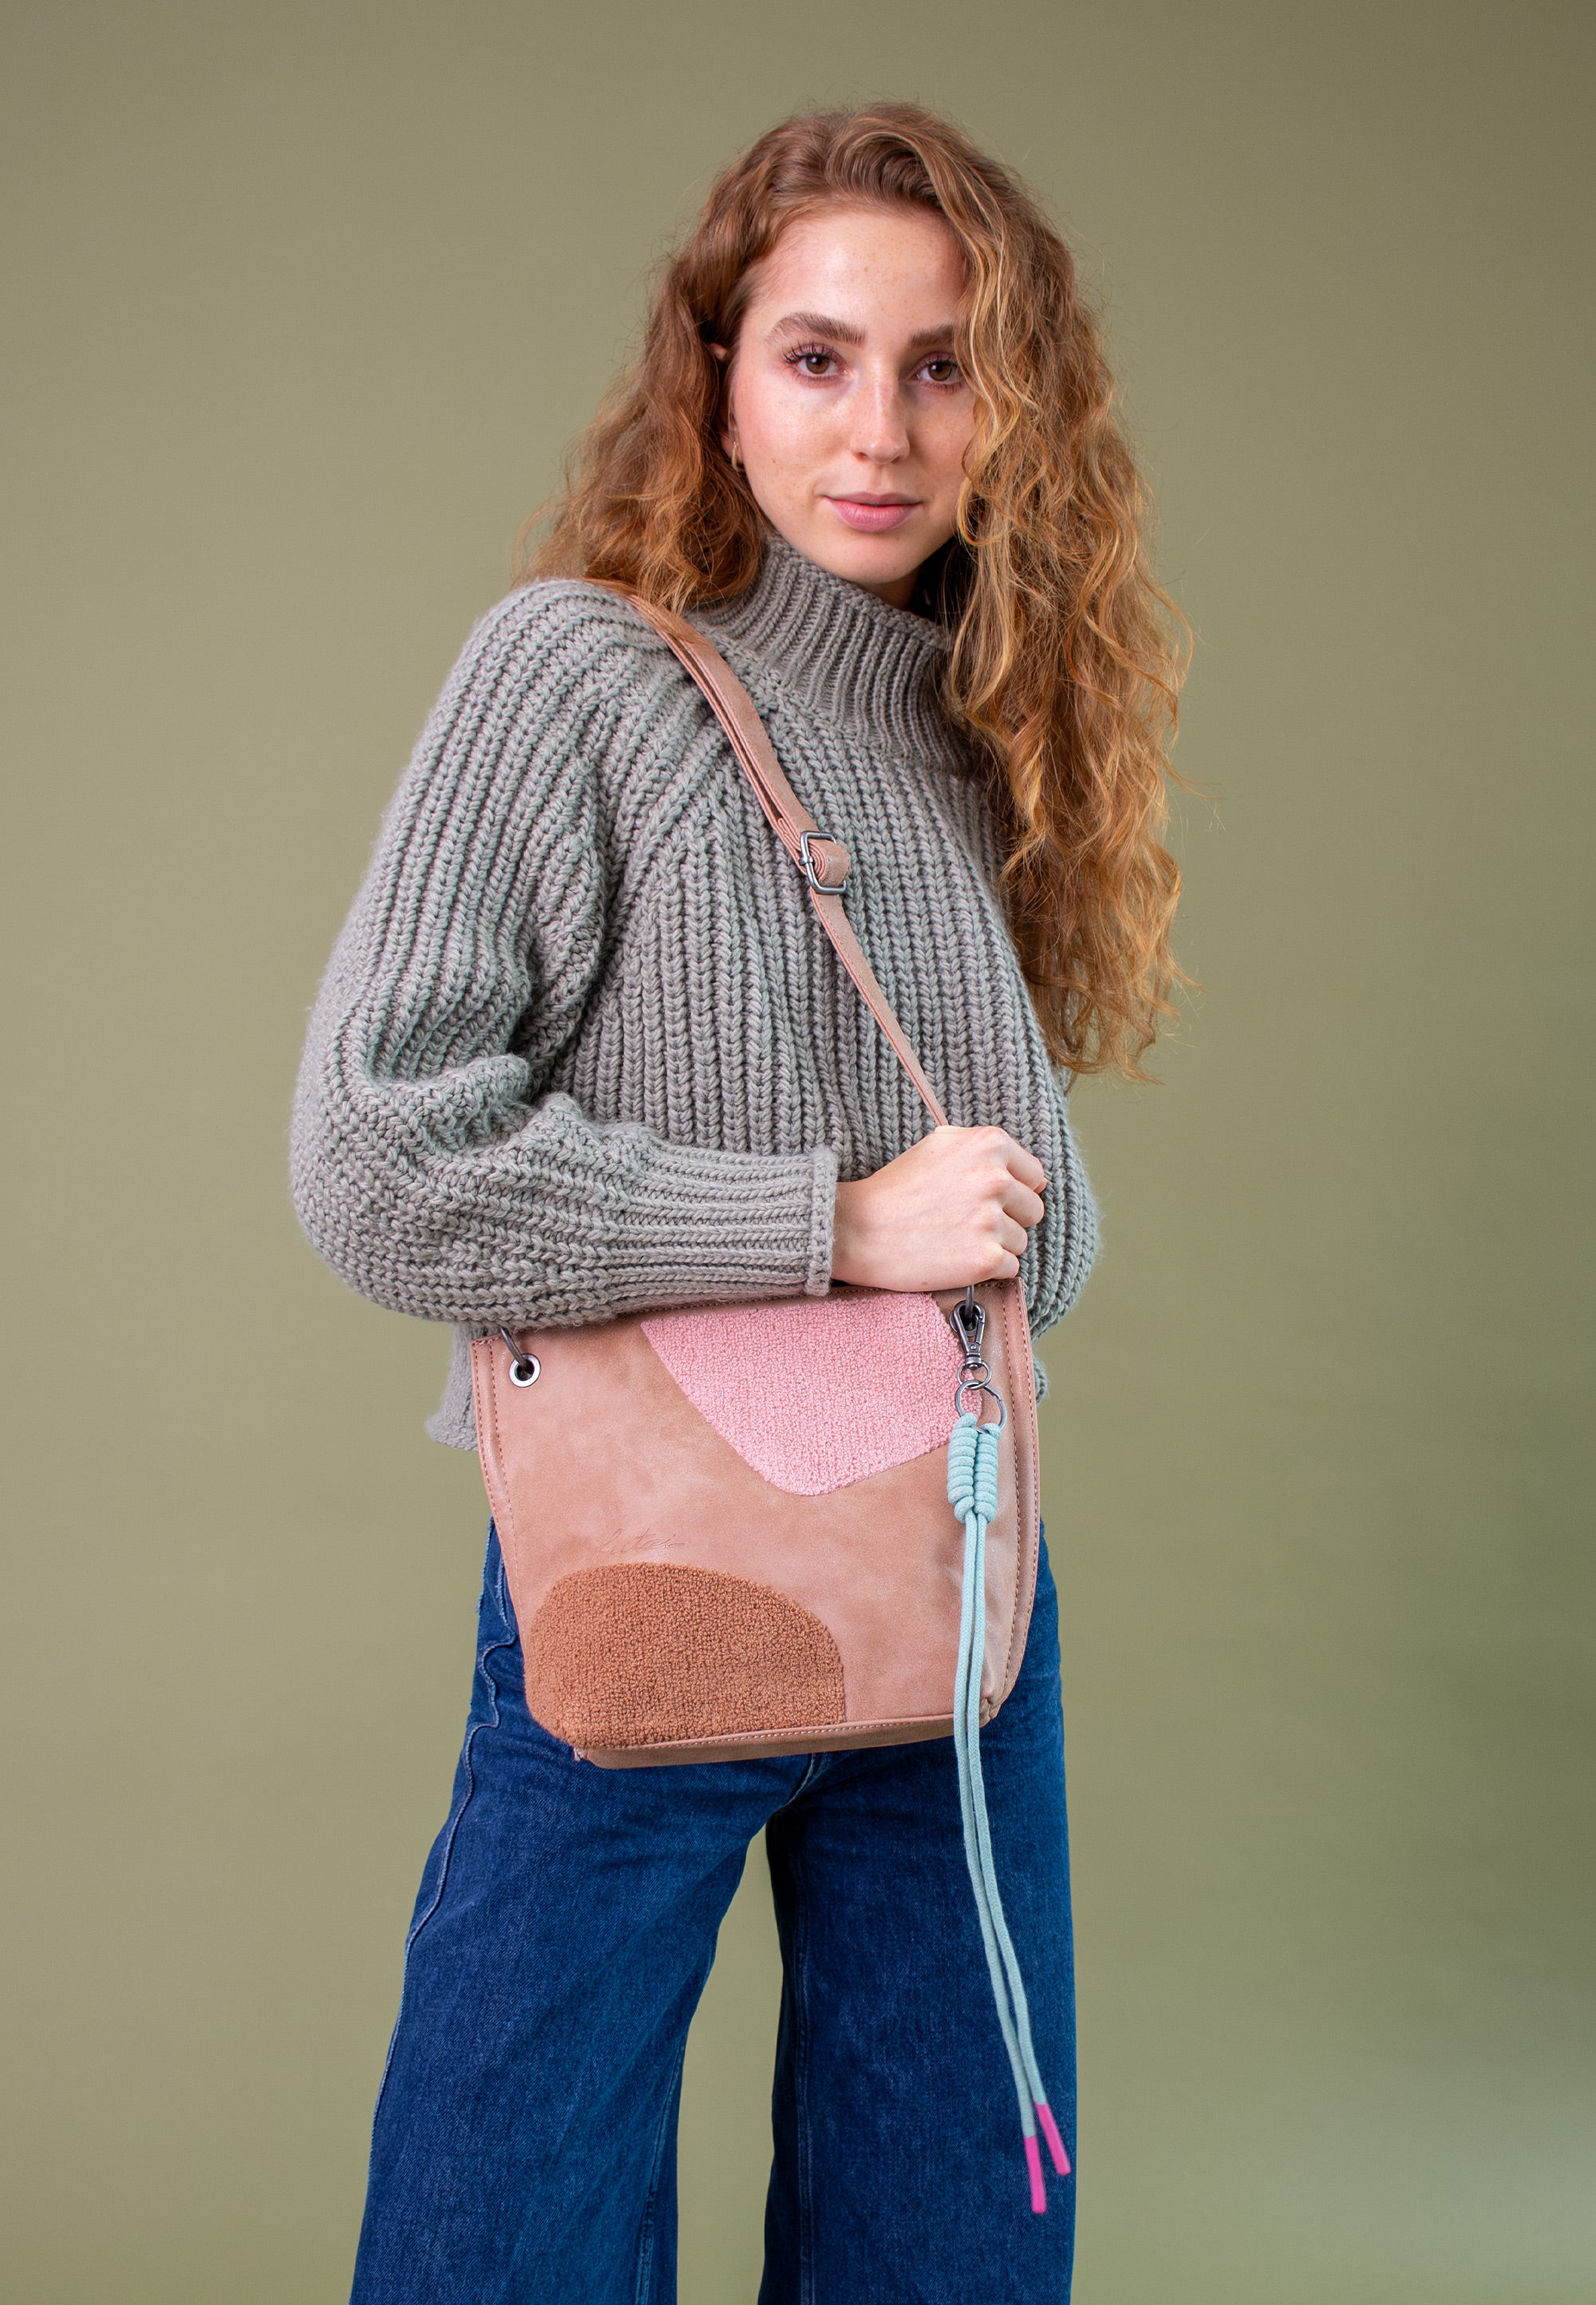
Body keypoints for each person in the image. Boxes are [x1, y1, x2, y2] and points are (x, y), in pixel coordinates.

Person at [292, 101, 1182, 2305]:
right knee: (507, 2238)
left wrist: (983, 1202)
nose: (880, 429)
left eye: (944, 367)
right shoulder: (576, 675)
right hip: (655, 1562)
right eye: (816, 357)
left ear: (1013, 409)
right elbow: (377, 1158)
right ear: (714, 375)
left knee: (956, 2246)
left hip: (954, 1581)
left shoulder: (988, 731)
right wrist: (837, 1225)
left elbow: (1037, 1240)